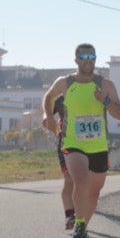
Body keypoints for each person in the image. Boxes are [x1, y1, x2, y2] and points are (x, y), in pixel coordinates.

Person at [42, 44, 120, 238]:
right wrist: (48, 116)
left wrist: (105, 101)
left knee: (94, 193)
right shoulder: (65, 83)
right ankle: (79, 224)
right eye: (83, 56)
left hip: (98, 145)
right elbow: (48, 97)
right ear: (76, 59)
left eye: (92, 56)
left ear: (95, 59)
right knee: (81, 180)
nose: (88, 60)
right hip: (73, 143)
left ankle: (82, 227)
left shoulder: (105, 85)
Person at [50, 94, 77, 231]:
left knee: (82, 180)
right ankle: (70, 215)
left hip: (86, 144)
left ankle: (79, 213)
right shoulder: (60, 99)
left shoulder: (89, 93)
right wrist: (56, 129)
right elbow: (45, 116)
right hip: (65, 143)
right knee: (69, 179)